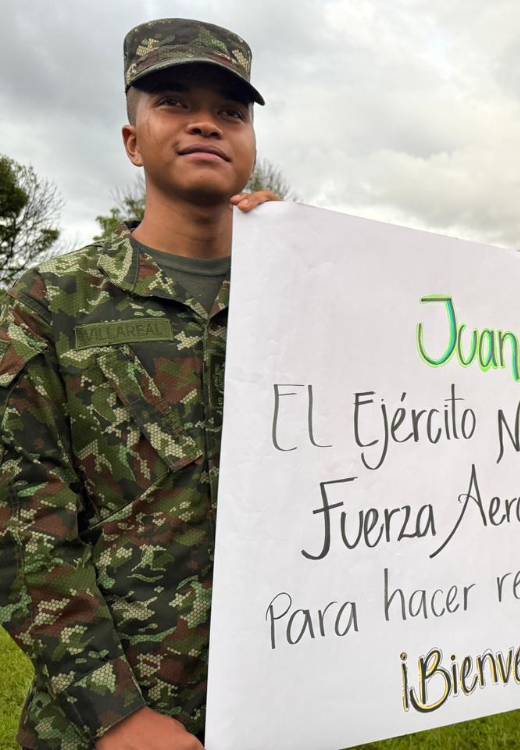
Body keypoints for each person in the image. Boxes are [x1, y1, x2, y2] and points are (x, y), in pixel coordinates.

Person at [0, 18, 274, 750]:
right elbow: (21, 526)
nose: (206, 125)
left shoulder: (302, 296)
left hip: (282, 699)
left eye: (231, 112)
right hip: (112, 721)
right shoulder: (51, 300)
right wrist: (117, 716)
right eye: (175, 103)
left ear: (251, 145)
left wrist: (312, 259)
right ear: (133, 142)